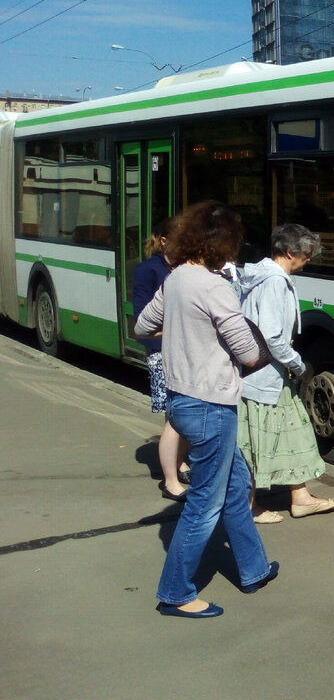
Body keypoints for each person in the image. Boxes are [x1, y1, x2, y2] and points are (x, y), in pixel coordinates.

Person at [135, 200, 277, 619]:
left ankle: (253, 569)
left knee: (233, 486)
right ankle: (175, 592)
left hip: (181, 401)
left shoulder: (177, 278)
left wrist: (184, 329)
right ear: (224, 243)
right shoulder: (214, 287)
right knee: (204, 504)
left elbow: (143, 326)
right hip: (211, 405)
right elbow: (249, 353)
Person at [236, 224, 334, 523]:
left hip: (265, 375)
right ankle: (248, 506)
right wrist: (298, 364)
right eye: (307, 254)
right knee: (259, 442)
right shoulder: (275, 283)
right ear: (291, 252)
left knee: (295, 433)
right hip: (264, 376)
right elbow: (272, 336)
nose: (309, 260)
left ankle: (301, 497)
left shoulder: (263, 277)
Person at [132, 215, 190, 501]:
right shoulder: (148, 270)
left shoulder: (183, 268)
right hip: (162, 353)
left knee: (181, 414)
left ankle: (179, 465)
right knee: (175, 417)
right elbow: (141, 321)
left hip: (184, 351)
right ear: (164, 241)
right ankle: (170, 481)